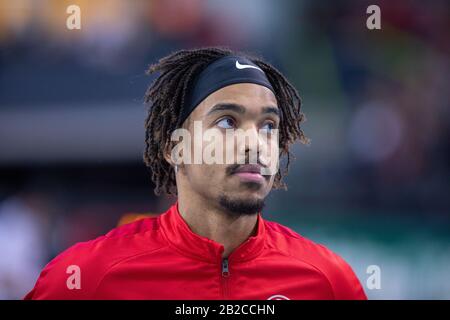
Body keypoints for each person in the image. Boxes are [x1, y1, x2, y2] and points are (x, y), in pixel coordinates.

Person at [25, 47, 366, 299]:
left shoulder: (328, 281)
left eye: (268, 125)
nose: (253, 143)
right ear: (174, 147)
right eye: (227, 121)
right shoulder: (87, 277)